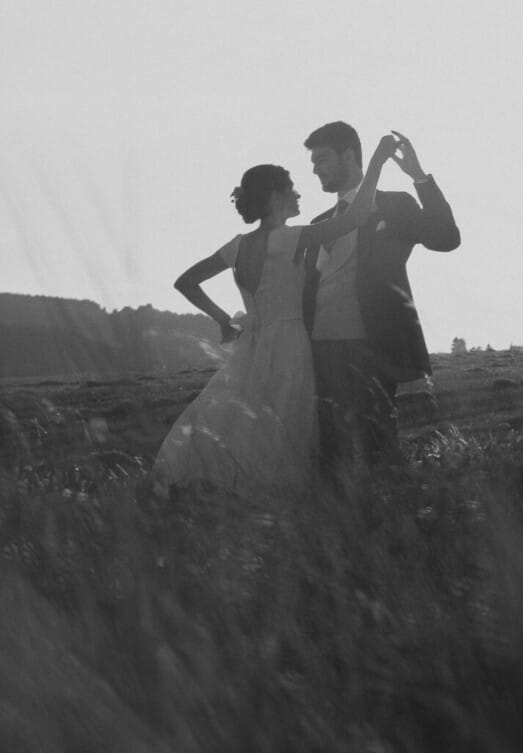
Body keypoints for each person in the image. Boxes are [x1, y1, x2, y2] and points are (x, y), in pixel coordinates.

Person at [153, 133, 399, 494]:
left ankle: (236, 485)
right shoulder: (290, 237)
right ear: (274, 197)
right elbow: (357, 216)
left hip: (251, 344)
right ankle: (276, 493)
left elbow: (185, 282)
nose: (299, 194)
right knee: (284, 423)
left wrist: (223, 319)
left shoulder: (237, 246)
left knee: (245, 419)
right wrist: (376, 163)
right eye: (292, 189)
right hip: (291, 342)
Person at [302, 123, 460, 475]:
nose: (315, 168)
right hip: (319, 349)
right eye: (312, 161)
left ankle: (387, 518)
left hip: (372, 345)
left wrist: (419, 176)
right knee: (328, 451)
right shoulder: (319, 222)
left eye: (322, 159)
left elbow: (446, 237)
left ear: (349, 156)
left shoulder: (394, 205)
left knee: (378, 445)